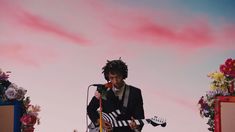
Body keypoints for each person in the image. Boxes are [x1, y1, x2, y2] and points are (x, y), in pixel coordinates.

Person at [87, 59, 145, 132]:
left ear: (123, 75)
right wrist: (100, 122)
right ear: (108, 77)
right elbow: (90, 109)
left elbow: (140, 117)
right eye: (111, 78)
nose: (115, 81)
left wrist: (136, 126)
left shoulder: (134, 93)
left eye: (118, 77)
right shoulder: (104, 89)